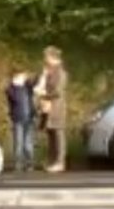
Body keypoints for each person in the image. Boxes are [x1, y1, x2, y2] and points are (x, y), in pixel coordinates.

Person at [34, 46, 68, 174]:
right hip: (48, 106)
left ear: (52, 57)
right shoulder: (49, 71)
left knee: (58, 134)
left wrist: (44, 94)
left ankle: (60, 162)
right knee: (50, 134)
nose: (44, 59)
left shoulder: (60, 73)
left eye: (46, 56)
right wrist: (43, 76)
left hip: (56, 107)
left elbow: (58, 91)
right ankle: (52, 161)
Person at [5, 71, 36, 172]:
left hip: (29, 118)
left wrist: (27, 78)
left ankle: (29, 163)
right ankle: (18, 164)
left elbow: (35, 82)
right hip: (18, 119)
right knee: (18, 142)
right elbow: (14, 97)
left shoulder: (28, 88)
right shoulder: (12, 90)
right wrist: (14, 84)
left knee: (28, 143)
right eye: (19, 76)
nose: (22, 78)